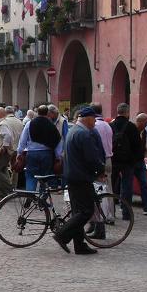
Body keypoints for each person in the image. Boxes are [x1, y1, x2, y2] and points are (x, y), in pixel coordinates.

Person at [53, 107, 106, 255]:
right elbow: (91, 158)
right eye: (93, 119)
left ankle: (79, 245)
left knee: (78, 211)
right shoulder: (84, 134)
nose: (95, 121)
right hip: (81, 177)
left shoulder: (73, 131)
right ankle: (62, 235)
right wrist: (100, 170)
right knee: (86, 211)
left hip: (72, 175)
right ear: (87, 118)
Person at [107, 103, 140, 224]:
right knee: (127, 187)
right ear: (127, 112)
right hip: (128, 162)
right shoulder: (132, 127)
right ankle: (126, 213)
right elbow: (137, 146)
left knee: (111, 186)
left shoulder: (111, 125)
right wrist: (134, 160)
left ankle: (111, 212)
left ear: (117, 111)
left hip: (113, 160)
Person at [17, 105, 62, 192]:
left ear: (37, 112)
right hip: (47, 154)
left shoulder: (30, 123)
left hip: (32, 154)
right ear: (48, 113)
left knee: (30, 176)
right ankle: (42, 199)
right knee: (45, 178)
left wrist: (19, 152)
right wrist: (58, 156)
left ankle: (30, 194)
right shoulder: (51, 125)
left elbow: (23, 139)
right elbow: (57, 141)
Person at [0, 107, 15, 199]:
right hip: (2, 151)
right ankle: (1, 194)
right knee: (3, 170)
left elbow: (7, 136)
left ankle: (9, 189)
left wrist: (4, 147)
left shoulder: (3, 124)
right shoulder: (2, 123)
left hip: (2, 152)